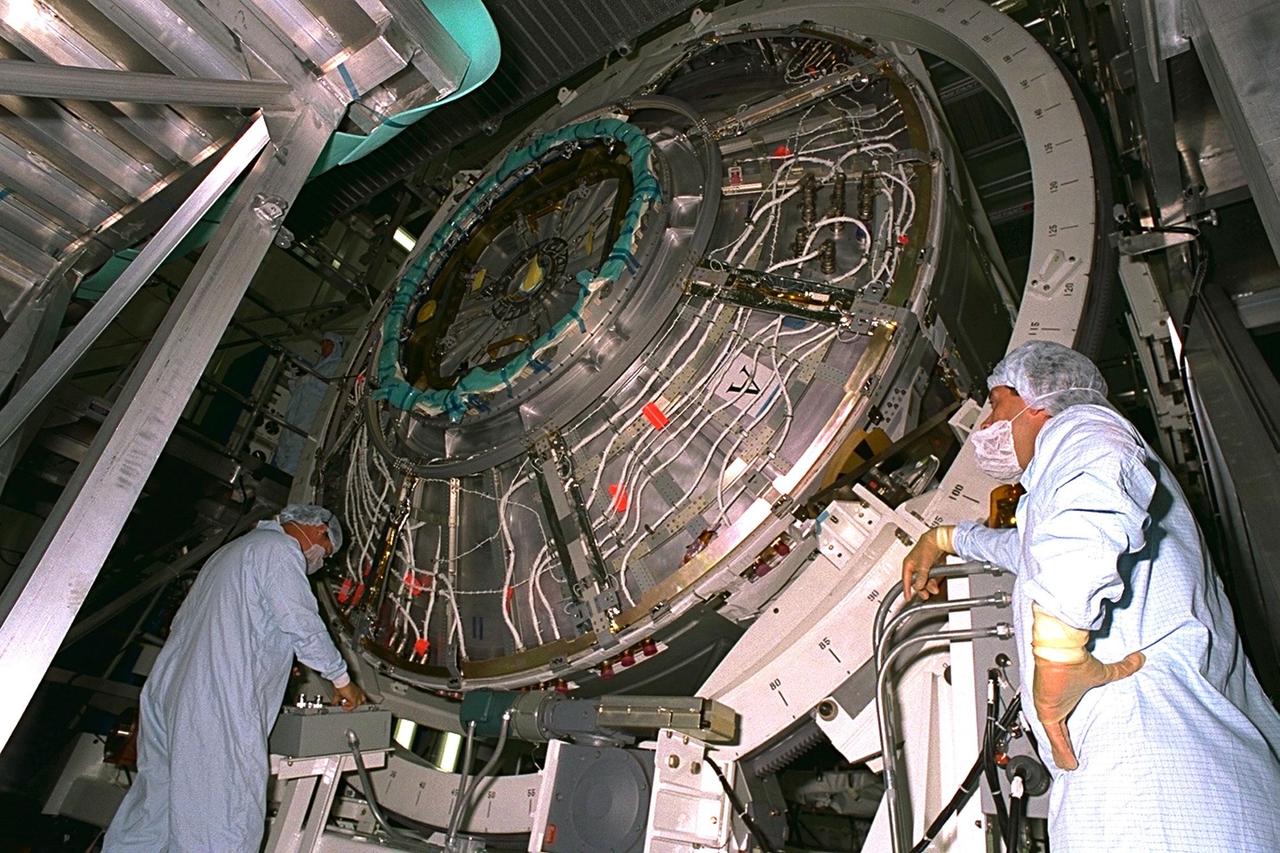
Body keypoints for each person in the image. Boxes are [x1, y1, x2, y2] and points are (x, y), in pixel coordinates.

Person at [902, 340, 1280, 851]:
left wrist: (1058, 652)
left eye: (994, 402)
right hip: (1187, 775)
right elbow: (1044, 547)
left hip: (1151, 778)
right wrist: (944, 539)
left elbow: (1096, 483)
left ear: (1036, 398)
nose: (986, 422)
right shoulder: (1077, 495)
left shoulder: (1079, 427)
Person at [104, 504, 366, 851]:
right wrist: (342, 680)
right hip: (216, 703)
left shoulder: (232, 551)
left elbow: (192, 621)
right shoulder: (280, 550)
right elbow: (301, 622)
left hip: (168, 693)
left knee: (155, 809)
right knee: (222, 816)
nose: (318, 561)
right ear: (318, 529)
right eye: (325, 553)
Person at [273, 332, 344, 475]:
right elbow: (303, 392)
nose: (322, 347)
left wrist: (306, 380)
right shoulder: (320, 366)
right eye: (322, 343)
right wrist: (295, 381)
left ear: (334, 346)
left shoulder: (337, 366)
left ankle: (285, 478)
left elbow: (327, 388)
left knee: (298, 448)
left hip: (309, 418)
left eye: (326, 343)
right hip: (296, 416)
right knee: (285, 445)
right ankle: (278, 473)